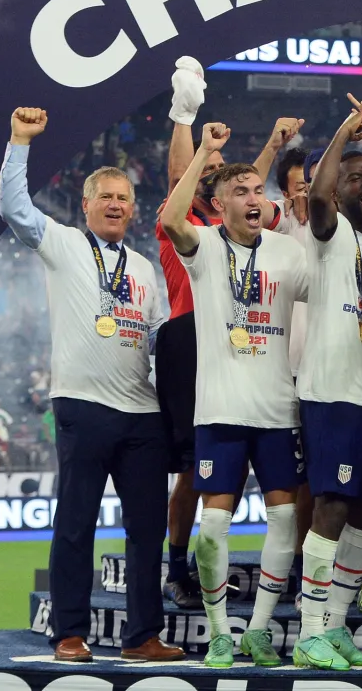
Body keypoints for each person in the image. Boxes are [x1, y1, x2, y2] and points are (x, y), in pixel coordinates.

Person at [0, 107, 181, 663]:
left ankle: (143, 637)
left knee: (147, 532)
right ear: (86, 205)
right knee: (75, 525)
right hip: (82, 405)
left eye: (123, 198)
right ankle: (69, 633)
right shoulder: (62, 245)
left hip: (141, 413)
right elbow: (13, 207)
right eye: (105, 196)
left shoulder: (145, 270)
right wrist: (19, 143)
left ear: (132, 207)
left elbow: (156, 343)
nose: (115, 205)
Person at [160, 122, 309, 668]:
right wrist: (202, 152)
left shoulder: (287, 253)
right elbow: (171, 218)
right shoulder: (201, 247)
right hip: (220, 410)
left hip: (275, 411)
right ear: (219, 205)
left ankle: (261, 629)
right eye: (241, 192)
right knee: (215, 527)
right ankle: (221, 630)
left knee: (286, 522)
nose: (254, 198)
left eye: (258, 191)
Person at [292, 48, 362, 670]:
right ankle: (311, 629)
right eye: (354, 178)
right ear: (337, 190)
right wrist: (347, 132)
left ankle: (334, 626)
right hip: (332, 390)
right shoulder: (329, 236)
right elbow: (315, 194)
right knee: (334, 504)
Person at [153, 56, 223, 610]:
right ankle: (177, 569)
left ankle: (204, 567)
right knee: (194, 471)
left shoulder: (237, 227)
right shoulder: (182, 222)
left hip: (237, 340)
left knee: (232, 467)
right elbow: (182, 179)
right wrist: (186, 116)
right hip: (189, 339)